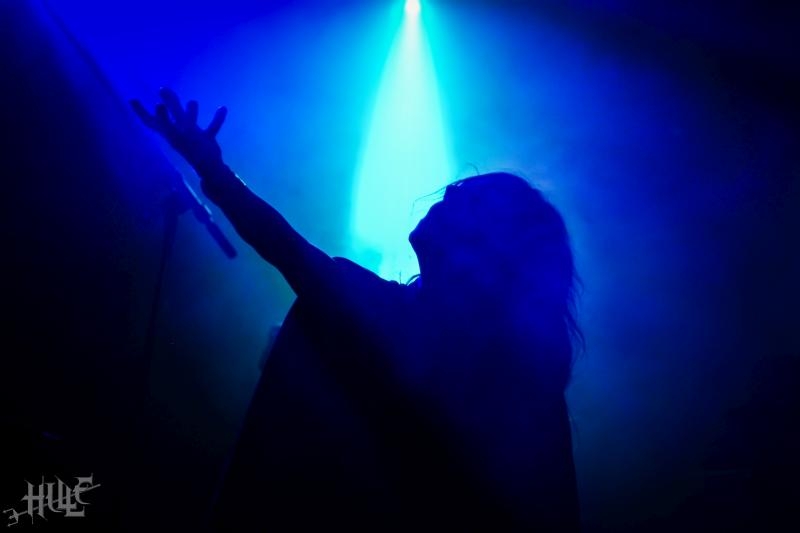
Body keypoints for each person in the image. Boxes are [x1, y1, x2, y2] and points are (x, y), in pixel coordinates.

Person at [131, 88, 582, 531]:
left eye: (470, 201)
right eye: (456, 189)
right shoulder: (522, 386)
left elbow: (281, 244)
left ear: (493, 251)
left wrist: (213, 170)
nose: (448, 194)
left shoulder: (402, 324)